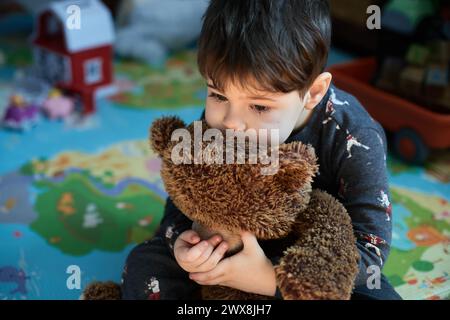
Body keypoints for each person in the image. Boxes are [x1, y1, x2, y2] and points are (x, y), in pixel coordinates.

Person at [121, 0, 401, 300]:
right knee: (146, 265)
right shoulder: (220, 123)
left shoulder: (354, 135)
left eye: (259, 106)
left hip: (306, 261)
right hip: (226, 242)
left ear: (314, 93)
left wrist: (269, 280)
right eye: (218, 94)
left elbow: (369, 248)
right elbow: (182, 199)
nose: (232, 123)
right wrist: (184, 243)